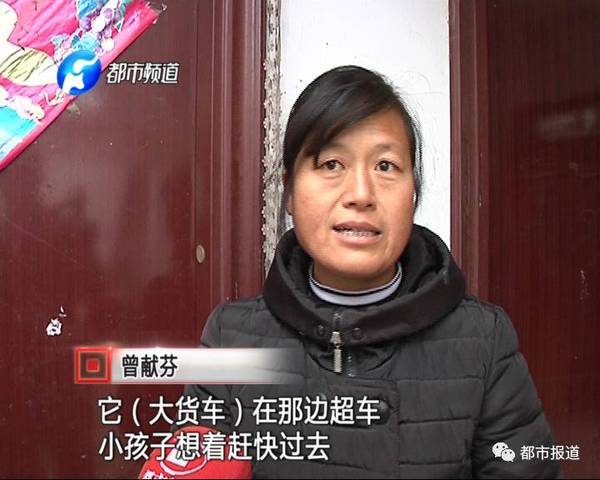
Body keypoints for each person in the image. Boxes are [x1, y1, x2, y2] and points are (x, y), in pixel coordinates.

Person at [182, 66, 561, 478]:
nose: (361, 194)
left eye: (385, 166)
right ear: (289, 191)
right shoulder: (229, 338)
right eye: (331, 163)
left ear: (412, 192)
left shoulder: (483, 340)